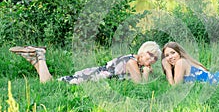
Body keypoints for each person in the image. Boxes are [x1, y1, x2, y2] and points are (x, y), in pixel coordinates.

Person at [9, 41, 161, 84]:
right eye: (150, 54)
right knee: (49, 83)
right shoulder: (132, 63)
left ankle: (33, 59)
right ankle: (40, 55)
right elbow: (140, 85)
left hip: (94, 73)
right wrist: (146, 74)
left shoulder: (134, 60)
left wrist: (146, 69)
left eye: (155, 58)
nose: (151, 59)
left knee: (51, 81)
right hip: (93, 77)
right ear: (142, 51)